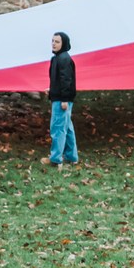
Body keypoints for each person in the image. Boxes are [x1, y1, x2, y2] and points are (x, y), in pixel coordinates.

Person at [45, 31, 78, 166]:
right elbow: (57, 79)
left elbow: (66, 80)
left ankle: (55, 159)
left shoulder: (64, 59)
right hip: (59, 97)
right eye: (52, 41)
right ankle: (72, 157)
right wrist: (51, 90)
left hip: (62, 100)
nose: (54, 44)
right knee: (67, 128)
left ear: (64, 43)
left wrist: (64, 99)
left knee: (58, 128)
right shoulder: (57, 58)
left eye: (57, 42)